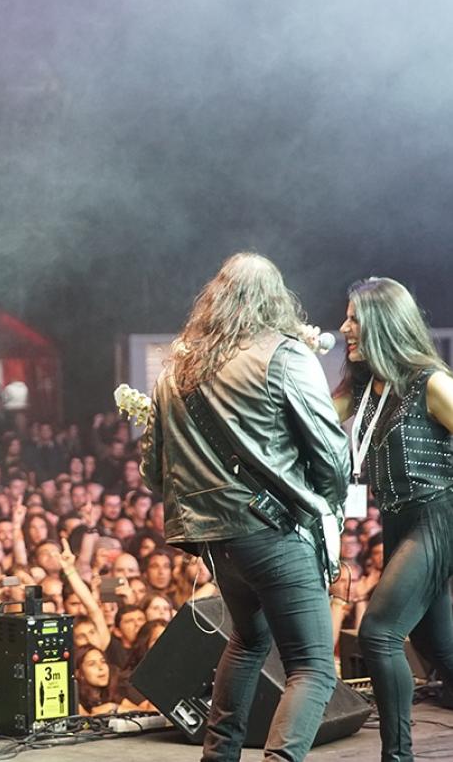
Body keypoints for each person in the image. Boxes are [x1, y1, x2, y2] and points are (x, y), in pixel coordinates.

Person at [141, 252, 350, 762]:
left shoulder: (176, 368)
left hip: (215, 540)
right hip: (273, 531)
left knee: (248, 640)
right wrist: (325, 500)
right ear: (277, 300)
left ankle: (220, 756)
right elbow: (330, 452)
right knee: (314, 667)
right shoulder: (283, 354)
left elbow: (154, 471)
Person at [334, 277, 453, 762]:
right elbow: (307, 416)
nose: (344, 328)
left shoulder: (431, 381)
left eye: (353, 319)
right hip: (398, 523)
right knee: (438, 645)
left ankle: (396, 757)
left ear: (384, 324)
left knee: (379, 632)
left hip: (437, 517)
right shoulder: (362, 388)